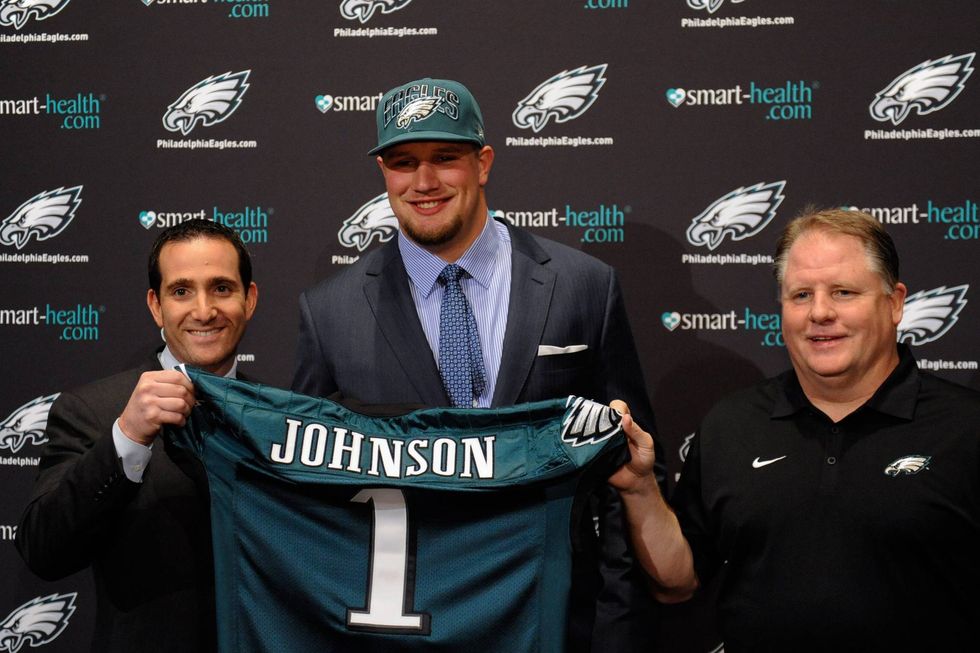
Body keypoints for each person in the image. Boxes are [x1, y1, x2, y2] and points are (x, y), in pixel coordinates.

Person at [292, 77, 663, 650]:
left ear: (483, 162)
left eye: (445, 158)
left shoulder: (583, 287)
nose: (424, 182)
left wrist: (610, 634)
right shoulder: (330, 312)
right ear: (383, 174)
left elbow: (630, 479)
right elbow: (311, 498)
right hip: (402, 629)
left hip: (555, 621)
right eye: (402, 162)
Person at [666, 208, 980, 650]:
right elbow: (678, 578)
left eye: (844, 292)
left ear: (894, 303)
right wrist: (640, 488)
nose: (819, 312)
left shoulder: (966, 429)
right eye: (800, 295)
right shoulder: (730, 426)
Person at [16, 219, 258, 653]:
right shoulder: (93, 411)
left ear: (250, 298)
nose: (204, 311)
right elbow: (43, 551)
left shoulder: (281, 417)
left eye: (222, 288)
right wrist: (126, 437)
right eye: (181, 291)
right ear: (156, 306)